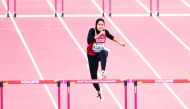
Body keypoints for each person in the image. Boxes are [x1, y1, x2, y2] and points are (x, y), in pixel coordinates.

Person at [87, 18, 125, 101]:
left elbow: (111, 37)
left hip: (100, 54)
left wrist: (120, 43)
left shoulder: (105, 31)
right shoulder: (92, 31)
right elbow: (89, 41)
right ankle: (99, 91)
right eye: (99, 24)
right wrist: (100, 34)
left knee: (104, 51)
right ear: (96, 25)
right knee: (93, 78)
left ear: (104, 26)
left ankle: (103, 71)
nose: (101, 26)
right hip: (91, 56)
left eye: (102, 25)